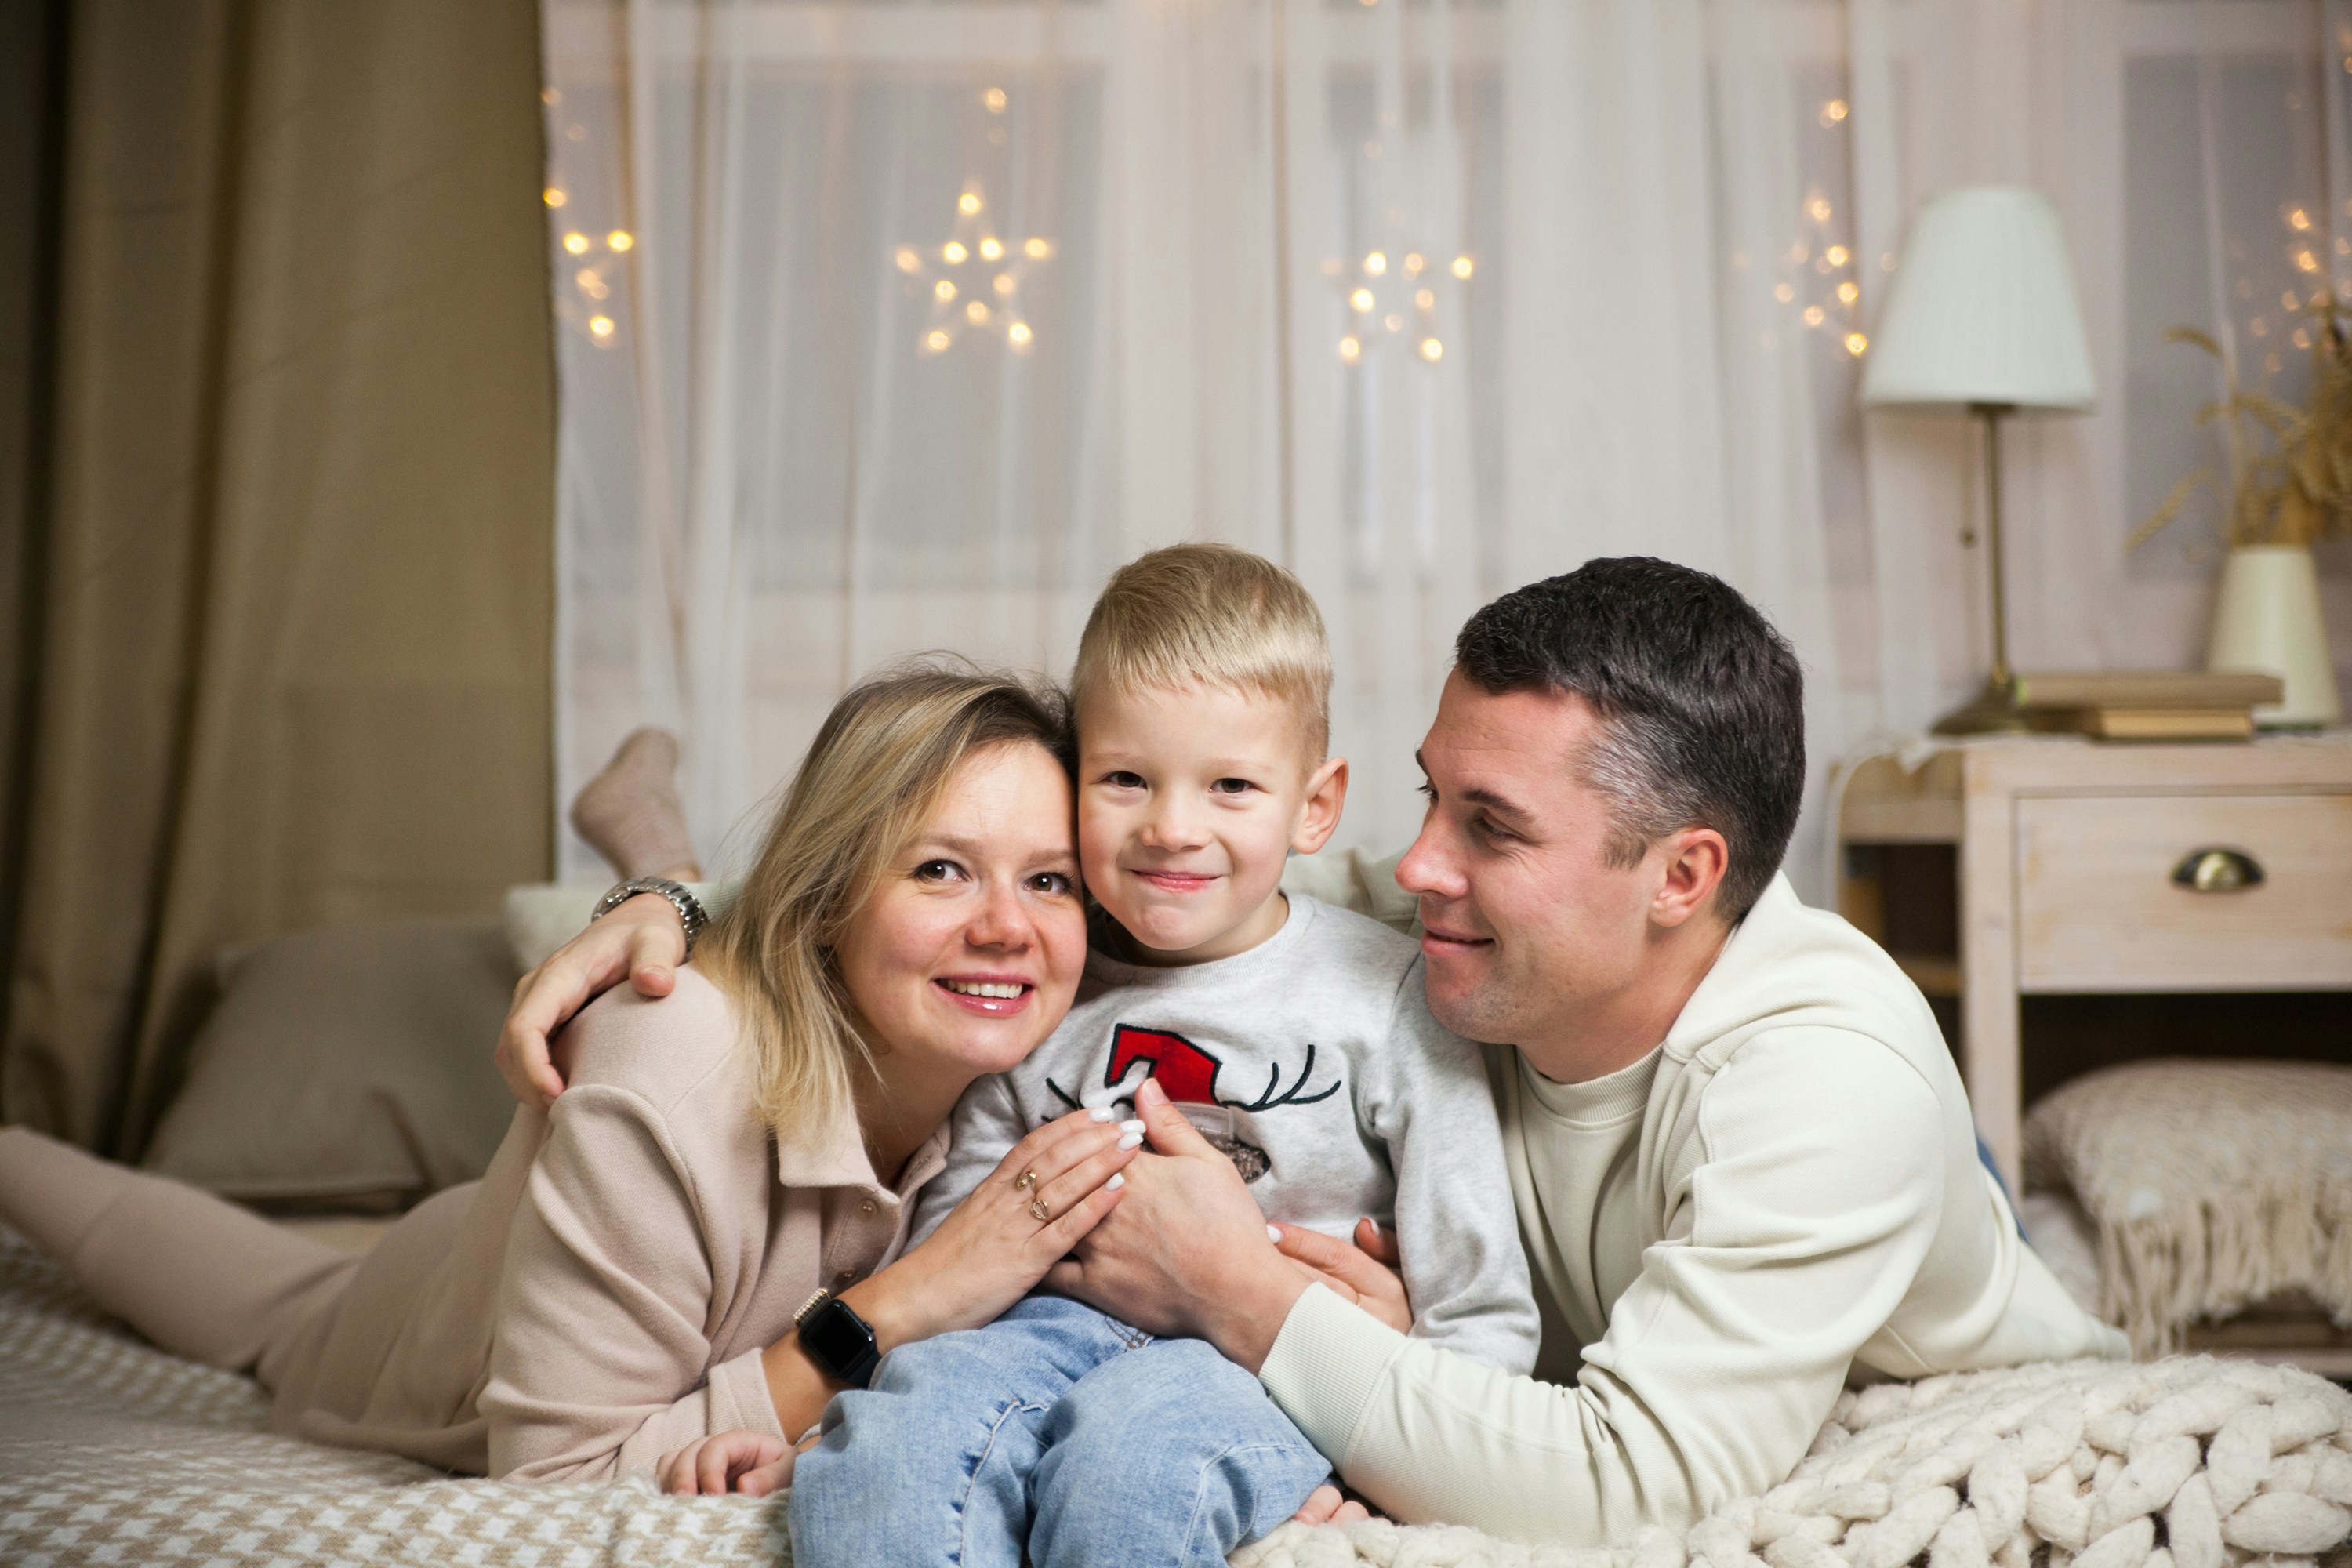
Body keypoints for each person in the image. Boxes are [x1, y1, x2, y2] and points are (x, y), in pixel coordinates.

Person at [510, 558, 2128, 1547]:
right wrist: (669, 894)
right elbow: (1120, 869)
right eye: (1429, 796)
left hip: (1843, 1258)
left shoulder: (1817, 1082)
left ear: (1683, 877)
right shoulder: (1415, 923)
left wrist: (1248, 1292)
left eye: (1487, 827)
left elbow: (1633, 1485)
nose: (1418, 864)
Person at [0, 665, 1141, 1486]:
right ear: (828, 901)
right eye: (943, 869)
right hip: (425, 1309)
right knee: (226, 1284)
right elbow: (553, 1479)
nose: (1009, 927)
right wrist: (906, 1301)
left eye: (1048, 881)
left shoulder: (1074, 1029)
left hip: (586, 1221)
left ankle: (659, 854)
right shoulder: (667, 1064)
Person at [780, 546, 1537, 1568]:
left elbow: (1477, 1306)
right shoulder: (1037, 972)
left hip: (1255, 1364)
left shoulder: (1391, 994)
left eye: (1230, 785)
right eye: (1127, 779)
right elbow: (958, 1243)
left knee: (1133, 1461)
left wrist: (1397, 1468)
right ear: (1073, 780)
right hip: (1031, 1336)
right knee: (894, 1444)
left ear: (1314, 805)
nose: (1173, 829)